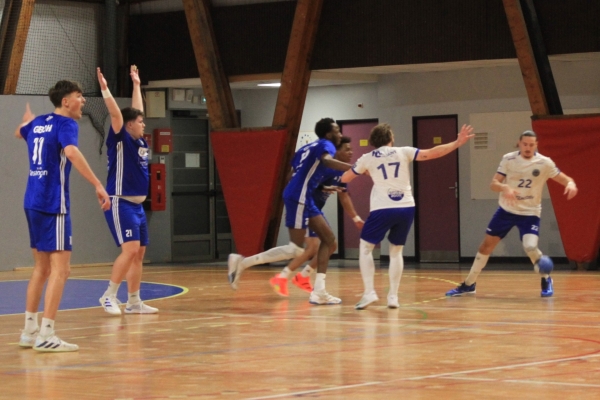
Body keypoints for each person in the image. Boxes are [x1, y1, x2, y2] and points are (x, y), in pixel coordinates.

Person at [15, 83, 111, 352]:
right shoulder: (66, 124)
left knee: (41, 269)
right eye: (79, 97)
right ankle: (47, 334)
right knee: (61, 270)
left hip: (32, 201)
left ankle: (29, 330)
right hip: (52, 203)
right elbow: (70, 152)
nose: (83, 101)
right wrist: (97, 185)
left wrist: (26, 123)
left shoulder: (38, 123)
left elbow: (20, 131)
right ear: (66, 102)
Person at [342, 123, 474, 310]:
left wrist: (355, 170)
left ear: (373, 141)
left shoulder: (367, 158)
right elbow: (433, 153)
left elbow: (345, 178)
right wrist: (456, 143)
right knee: (396, 251)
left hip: (382, 208)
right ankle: (393, 297)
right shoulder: (403, 152)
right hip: (405, 207)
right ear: (391, 138)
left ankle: (369, 292)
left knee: (365, 248)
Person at [228, 118, 352, 305]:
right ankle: (243, 262)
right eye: (337, 130)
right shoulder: (327, 145)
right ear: (328, 134)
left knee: (328, 241)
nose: (340, 134)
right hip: (300, 196)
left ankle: (319, 291)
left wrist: (299, 194)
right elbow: (327, 161)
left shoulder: (305, 148)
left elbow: (291, 174)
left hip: (300, 196)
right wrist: (356, 169)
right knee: (297, 248)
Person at [446, 130, 577, 298]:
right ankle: (469, 284)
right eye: (525, 144)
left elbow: (563, 178)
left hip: (530, 212)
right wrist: (504, 187)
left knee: (530, 247)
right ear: (519, 143)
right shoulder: (509, 159)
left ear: (536, 145)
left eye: (531, 144)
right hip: (506, 210)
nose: (528, 147)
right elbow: (493, 184)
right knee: (486, 246)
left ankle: (546, 278)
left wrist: (571, 184)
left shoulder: (545, 163)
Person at [268, 136, 364, 297]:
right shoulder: (324, 167)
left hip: (315, 210)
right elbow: (299, 180)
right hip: (304, 207)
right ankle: (284, 277)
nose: (350, 152)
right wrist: (322, 187)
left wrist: (355, 218)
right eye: (346, 149)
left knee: (330, 245)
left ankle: (302, 276)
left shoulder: (341, 171)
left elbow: (344, 195)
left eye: (351, 149)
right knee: (313, 248)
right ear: (336, 151)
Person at [97, 66, 158, 315]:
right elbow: (116, 114)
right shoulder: (120, 137)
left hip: (137, 205)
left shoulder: (140, 140)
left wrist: (136, 85)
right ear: (130, 125)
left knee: (139, 254)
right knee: (130, 250)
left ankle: (134, 301)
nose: (144, 124)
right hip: (120, 202)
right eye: (140, 122)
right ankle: (109, 295)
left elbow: (137, 111)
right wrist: (105, 89)